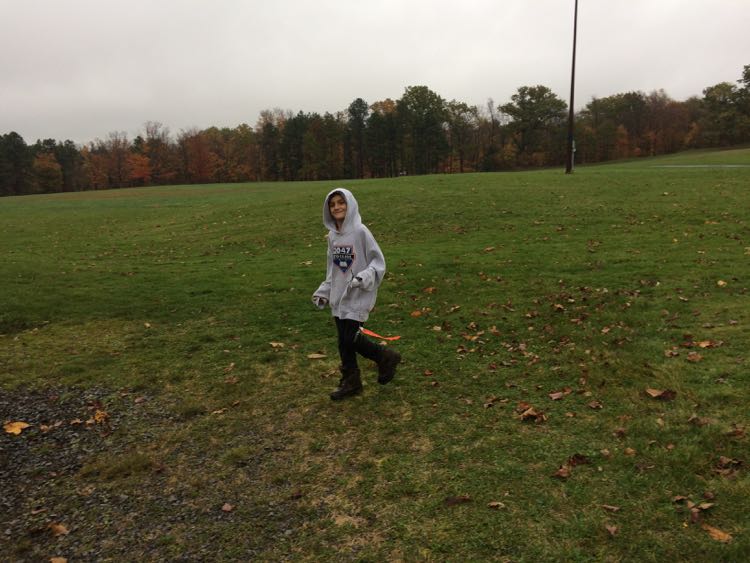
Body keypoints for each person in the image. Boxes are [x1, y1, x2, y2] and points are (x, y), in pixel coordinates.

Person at [312, 188, 401, 400]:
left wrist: (363, 278)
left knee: (351, 338)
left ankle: (385, 356)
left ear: (350, 204)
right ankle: (351, 382)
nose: (337, 207)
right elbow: (333, 269)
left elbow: (378, 262)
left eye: (341, 202)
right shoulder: (332, 237)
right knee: (343, 342)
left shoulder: (361, 232)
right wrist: (325, 291)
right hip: (339, 298)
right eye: (332, 204)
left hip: (357, 294)